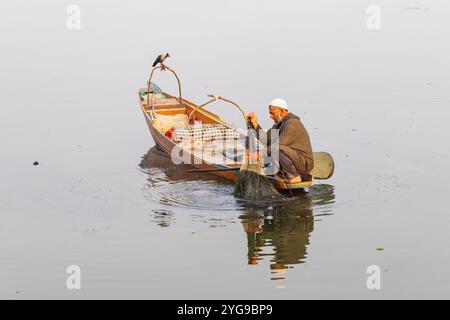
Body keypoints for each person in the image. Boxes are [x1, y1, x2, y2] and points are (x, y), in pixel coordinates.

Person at [246, 98, 314, 183]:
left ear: (282, 111)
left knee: (278, 149)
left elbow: (278, 146)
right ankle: (284, 173)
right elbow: (266, 140)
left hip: (304, 163)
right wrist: (255, 124)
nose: (270, 116)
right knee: (275, 149)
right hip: (293, 159)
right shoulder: (280, 123)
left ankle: (294, 176)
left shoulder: (292, 124)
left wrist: (259, 153)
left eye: (272, 113)